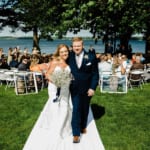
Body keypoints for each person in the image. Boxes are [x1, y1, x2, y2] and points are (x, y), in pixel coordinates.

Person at [23, 44, 72, 150]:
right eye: (62, 51)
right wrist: (57, 82)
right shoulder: (55, 62)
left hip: (65, 89)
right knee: (55, 110)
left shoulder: (68, 62)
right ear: (59, 52)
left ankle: (62, 130)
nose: (65, 53)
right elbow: (48, 75)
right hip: (54, 88)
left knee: (64, 109)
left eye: (66, 51)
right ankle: (56, 133)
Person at [68, 37, 99, 143]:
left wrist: (92, 88)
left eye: (78, 45)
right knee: (76, 109)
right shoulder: (69, 56)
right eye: (74, 46)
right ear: (72, 46)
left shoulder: (91, 56)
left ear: (82, 45)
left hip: (87, 88)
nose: (76, 48)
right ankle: (76, 134)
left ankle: (83, 125)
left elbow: (95, 74)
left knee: (85, 108)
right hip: (74, 88)